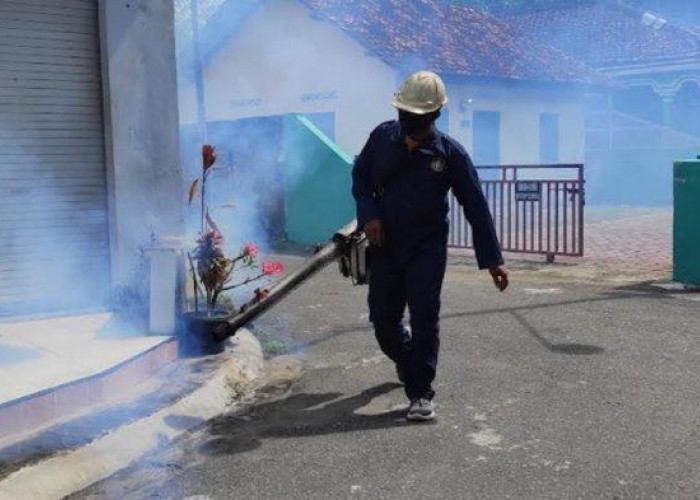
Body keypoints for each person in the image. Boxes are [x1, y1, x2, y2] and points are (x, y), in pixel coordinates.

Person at [351, 70, 509, 422]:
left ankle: (421, 391)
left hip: (427, 245)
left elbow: (475, 205)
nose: (410, 122)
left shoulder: (450, 154)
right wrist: (370, 216)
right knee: (382, 319)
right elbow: (360, 177)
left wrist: (493, 260)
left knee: (425, 316)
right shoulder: (381, 138)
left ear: (435, 115)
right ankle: (408, 360)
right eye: (405, 115)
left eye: (418, 117)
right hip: (385, 244)